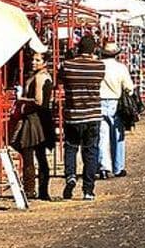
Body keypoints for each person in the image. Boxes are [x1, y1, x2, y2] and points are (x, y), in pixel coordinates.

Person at [58, 34, 105, 201]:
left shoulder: (68, 66)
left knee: (71, 148)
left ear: (78, 48)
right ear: (93, 50)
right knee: (90, 151)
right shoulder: (99, 67)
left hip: (73, 114)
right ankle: (88, 190)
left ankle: (70, 175)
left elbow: (60, 79)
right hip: (93, 114)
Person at [13, 50, 54, 200]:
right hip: (41, 119)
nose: (34, 62)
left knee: (29, 154)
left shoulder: (39, 78)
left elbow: (38, 101)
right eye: (33, 59)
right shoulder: (43, 76)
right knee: (39, 155)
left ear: (44, 62)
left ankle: (30, 189)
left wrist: (22, 100)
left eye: (37, 60)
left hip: (34, 119)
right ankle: (42, 190)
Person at [98, 41, 134, 179]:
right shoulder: (121, 68)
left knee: (102, 136)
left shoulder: (98, 66)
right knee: (118, 136)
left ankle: (104, 167)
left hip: (100, 102)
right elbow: (129, 87)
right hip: (116, 103)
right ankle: (118, 167)